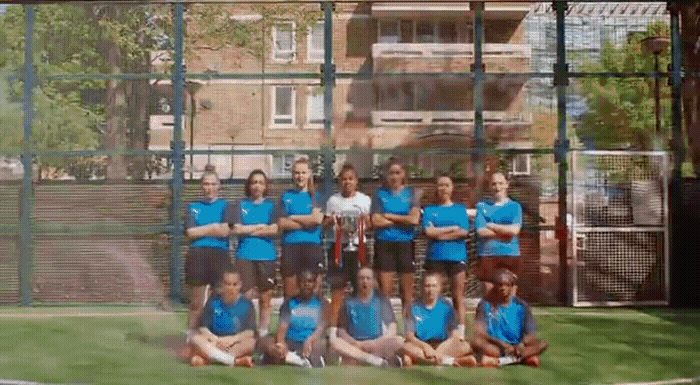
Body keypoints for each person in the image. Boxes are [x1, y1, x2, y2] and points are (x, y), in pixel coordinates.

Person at [184, 168, 234, 334]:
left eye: (213, 184)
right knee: (197, 302)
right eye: (206, 184)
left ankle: (217, 334)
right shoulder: (193, 207)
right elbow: (191, 233)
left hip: (220, 255)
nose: (210, 188)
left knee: (220, 298)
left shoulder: (226, 206)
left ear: (219, 186)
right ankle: (191, 335)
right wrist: (213, 226)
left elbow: (225, 231)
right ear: (201, 186)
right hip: (197, 255)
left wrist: (203, 230)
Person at [323, 163, 372, 333]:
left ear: (356, 181)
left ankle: (362, 327)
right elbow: (325, 223)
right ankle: (333, 330)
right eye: (344, 179)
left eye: (350, 179)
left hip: (359, 247)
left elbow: (371, 224)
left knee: (361, 288)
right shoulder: (333, 201)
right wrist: (332, 220)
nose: (347, 182)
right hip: (338, 247)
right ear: (339, 182)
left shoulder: (365, 200)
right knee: (337, 289)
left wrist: (366, 221)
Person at [370, 158, 421, 317]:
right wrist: (402, 219)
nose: (394, 176)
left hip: (406, 245)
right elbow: (376, 220)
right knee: (385, 293)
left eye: (398, 173)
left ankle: (409, 333)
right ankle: (386, 330)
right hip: (384, 244)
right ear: (386, 175)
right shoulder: (379, 194)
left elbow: (414, 219)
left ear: (403, 174)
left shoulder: (412, 193)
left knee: (407, 295)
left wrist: (389, 216)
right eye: (391, 173)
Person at [230, 169, 279, 337]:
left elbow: (274, 229)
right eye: (254, 182)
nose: (257, 186)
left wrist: (248, 230)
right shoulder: (240, 205)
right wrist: (260, 226)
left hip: (267, 257)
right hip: (245, 256)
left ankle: (263, 334)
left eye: (260, 182)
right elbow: (236, 229)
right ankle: (246, 332)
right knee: (245, 298)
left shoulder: (272, 205)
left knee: (266, 299)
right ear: (249, 186)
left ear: (265, 186)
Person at [422, 173, 470, 333]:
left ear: (452, 188)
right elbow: (429, 232)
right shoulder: (429, 210)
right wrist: (452, 228)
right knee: (435, 296)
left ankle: (460, 332)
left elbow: (463, 232)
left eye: (446, 185)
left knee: (458, 296)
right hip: (436, 257)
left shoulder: (460, 209)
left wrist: (439, 234)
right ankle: (436, 331)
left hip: (457, 257)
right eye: (440, 185)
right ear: (436, 188)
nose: (443, 188)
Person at [472, 268, 548, 367]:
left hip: (516, 346)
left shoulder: (521, 305)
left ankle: (506, 359)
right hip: (495, 345)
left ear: (512, 287)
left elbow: (531, 333)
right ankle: (523, 358)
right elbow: (480, 332)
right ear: (495, 286)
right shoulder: (485, 304)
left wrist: (521, 345)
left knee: (542, 344)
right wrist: (502, 344)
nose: (503, 288)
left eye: (507, 285)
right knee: (476, 342)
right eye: (500, 285)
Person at [330, 267, 404, 367]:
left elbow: (392, 328)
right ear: (357, 281)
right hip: (356, 345)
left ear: (373, 281)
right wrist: (356, 343)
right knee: (336, 342)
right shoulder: (348, 301)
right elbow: (342, 331)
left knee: (399, 340)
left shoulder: (382, 301)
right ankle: (372, 360)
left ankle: (360, 359)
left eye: (368, 278)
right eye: (361, 278)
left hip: (378, 344)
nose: (364, 281)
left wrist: (375, 343)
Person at [401, 272, 476, 367]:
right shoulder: (414, 307)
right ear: (422, 288)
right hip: (422, 345)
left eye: (433, 286)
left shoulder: (447, 306)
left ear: (439, 288)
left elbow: (454, 335)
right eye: (427, 286)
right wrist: (425, 346)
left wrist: (440, 349)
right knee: (405, 346)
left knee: (465, 346)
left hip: (443, 345)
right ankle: (450, 361)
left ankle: (426, 360)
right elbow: (409, 336)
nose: (430, 289)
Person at [187, 268, 256, 368]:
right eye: (228, 284)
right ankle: (233, 361)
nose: (231, 288)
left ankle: (210, 357)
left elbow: (250, 331)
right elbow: (203, 327)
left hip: (234, 344)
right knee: (194, 337)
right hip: (214, 342)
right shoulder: (213, 302)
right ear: (222, 285)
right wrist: (214, 339)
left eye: (234, 284)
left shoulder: (247, 304)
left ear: (240, 285)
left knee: (251, 343)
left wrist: (232, 340)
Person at [259, 269, 328, 368]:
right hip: (291, 341)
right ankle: (293, 358)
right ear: (298, 284)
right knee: (266, 340)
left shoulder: (321, 303)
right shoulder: (289, 303)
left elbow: (322, 327)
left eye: (310, 282)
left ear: (314, 284)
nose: (307, 285)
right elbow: (283, 328)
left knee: (319, 344)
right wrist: (281, 344)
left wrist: (310, 340)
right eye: (303, 282)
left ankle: (304, 360)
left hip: (310, 341)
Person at [277, 158, 324, 298]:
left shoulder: (317, 196)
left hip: (312, 246)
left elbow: (317, 219)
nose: (300, 176)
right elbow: (281, 223)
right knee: (291, 293)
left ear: (309, 174)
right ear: (292, 175)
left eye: (303, 172)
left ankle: (315, 319)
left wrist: (292, 217)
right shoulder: (285, 196)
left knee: (315, 292)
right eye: (297, 173)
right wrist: (307, 221)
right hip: (290, 247)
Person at [475, 171, 523, 295]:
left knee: (509, 297)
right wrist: (505, 233)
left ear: (507, 184)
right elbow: (481, 232)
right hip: (488, 254)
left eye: (501, 183)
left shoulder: (515, 206)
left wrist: (493, 226)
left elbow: (515, 230)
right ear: (490, 186)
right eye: (494, 184)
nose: (497, 187)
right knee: (489, 296)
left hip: (510, 254)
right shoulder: (482, 206)